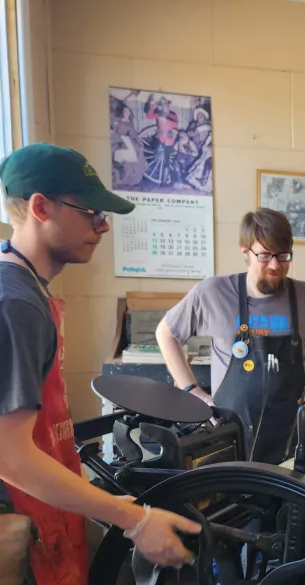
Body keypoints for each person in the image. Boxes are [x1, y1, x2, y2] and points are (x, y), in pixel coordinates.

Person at [0, 142, 200, 583]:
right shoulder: (14, 301)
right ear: (40, 207)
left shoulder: (31, 290)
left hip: (47, 518)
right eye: (91, 212)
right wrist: (135, 520)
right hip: (18, 531)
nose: (104, 226)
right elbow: (9, 455)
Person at [156, 207, 305, 464]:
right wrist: (191, 390)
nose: (275, 265)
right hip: (227, 440)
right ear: (245, 251)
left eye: (283, 256)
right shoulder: (213, 293)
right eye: (265, 255)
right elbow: (166, 333)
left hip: (289, 444)